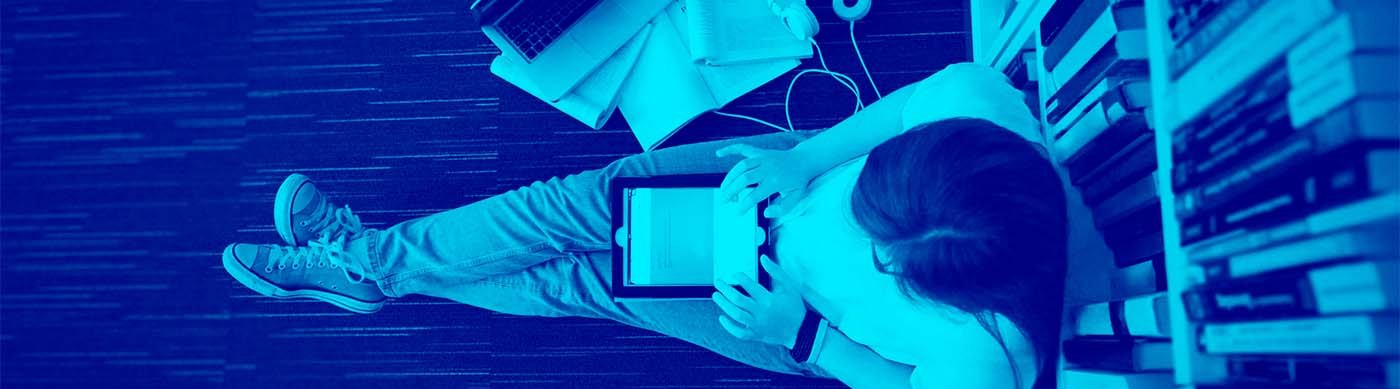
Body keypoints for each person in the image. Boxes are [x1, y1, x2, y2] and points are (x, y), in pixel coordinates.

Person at [220, 63, 1073, 389]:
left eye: (888, 261)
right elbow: (906, 109)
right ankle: (370, 263)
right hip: (781, 184)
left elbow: (895, 386)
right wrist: (810, 165)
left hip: (791, 313)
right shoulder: (981, 107)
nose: (874, 246)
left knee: (582, 279)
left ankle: (365, 264)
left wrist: (807, 334)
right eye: (874, 209)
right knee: (566, 206)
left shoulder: (992, 361)